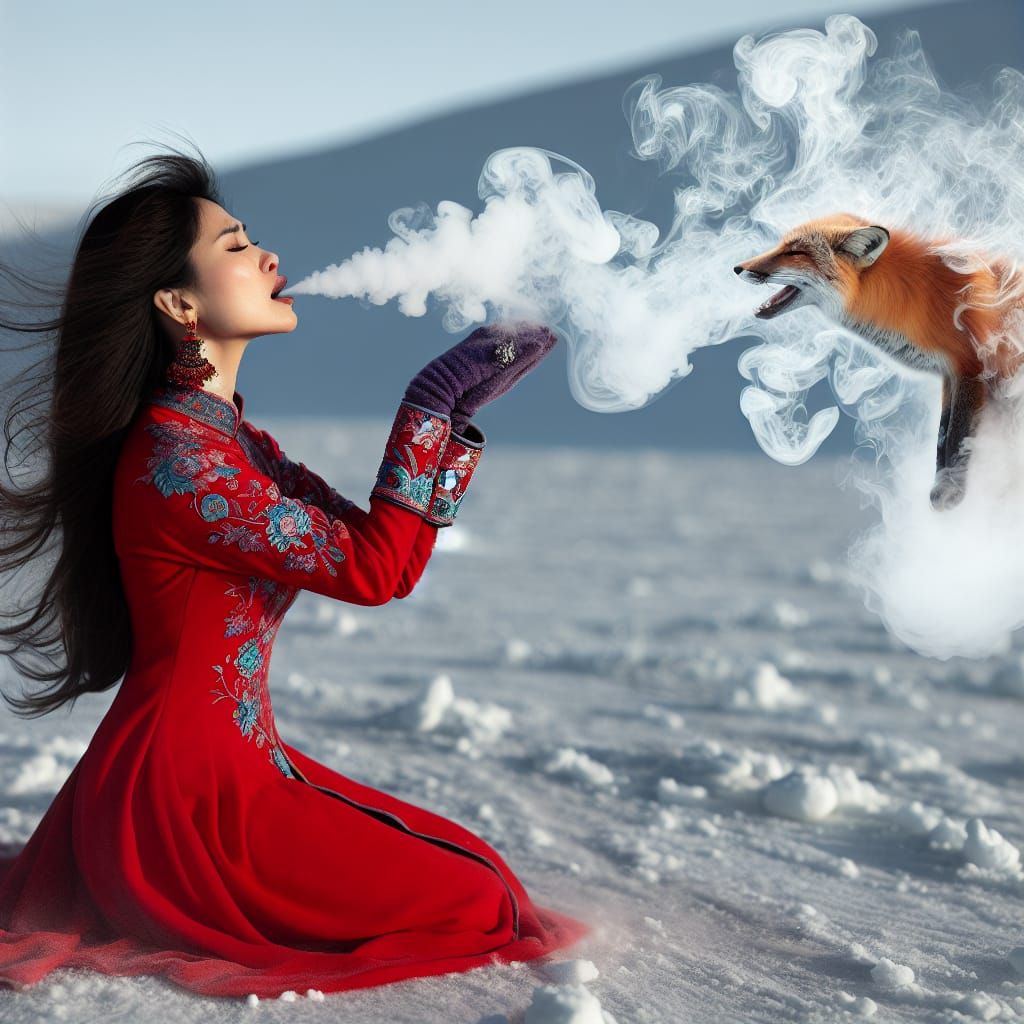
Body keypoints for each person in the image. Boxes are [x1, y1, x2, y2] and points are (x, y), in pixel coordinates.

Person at [0, 146, 590, 998]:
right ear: (177, 302)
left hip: (237, 770)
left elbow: (387, 559)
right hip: (184, 802)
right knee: (478, 902)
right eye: (236, 247)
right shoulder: (180, 465)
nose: (268, 256)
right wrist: (426, 406)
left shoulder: (225, 440)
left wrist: (452, 420)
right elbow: (372, 568)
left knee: (483, 878)